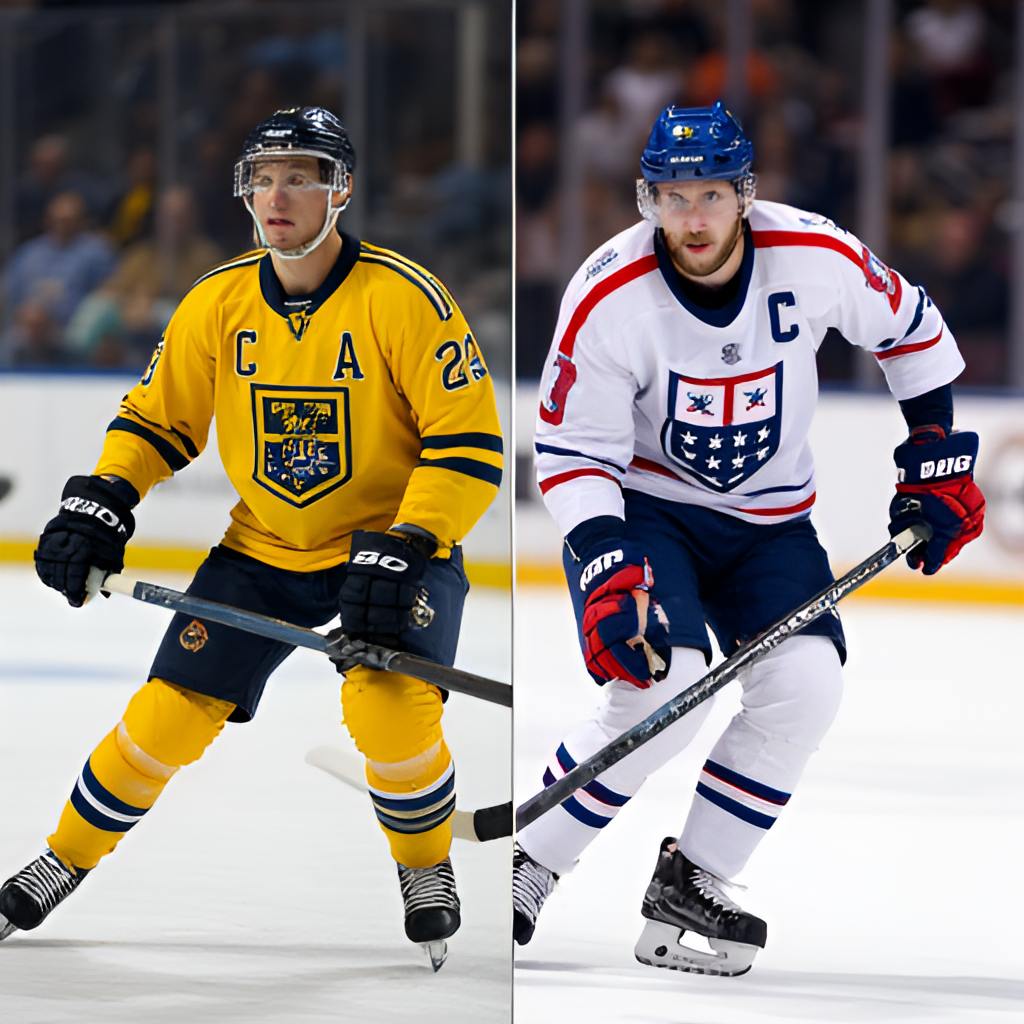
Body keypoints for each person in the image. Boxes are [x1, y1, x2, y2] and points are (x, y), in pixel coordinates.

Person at [0, 107, 503, 972]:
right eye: (265, 177)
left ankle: (425, 868)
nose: (279, 193)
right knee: (163, 716)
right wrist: (103, 499)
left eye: (301, 175)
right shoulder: (217, 300)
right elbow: (158, 419)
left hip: (389, 552)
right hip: (260, 552)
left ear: (340, 190)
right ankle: (64, 857)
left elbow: (468, 444)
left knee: (389, 716)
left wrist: (410, 539)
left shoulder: (406, 298)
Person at [513, 101, 984, 976]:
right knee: (661, 684)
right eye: (674, 197)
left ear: (745, 195)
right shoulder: (608, 294)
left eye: (712, 195)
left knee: (806, 685)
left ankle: (694, 879)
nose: (693, 218)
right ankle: (529, 862)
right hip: (652, 513)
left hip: (772, 524)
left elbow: (912, 331)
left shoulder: (814, 253)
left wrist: (935, 458)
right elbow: (575, 452)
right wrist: (607, 569)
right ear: (648, 197)